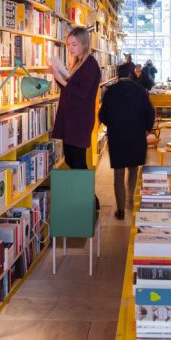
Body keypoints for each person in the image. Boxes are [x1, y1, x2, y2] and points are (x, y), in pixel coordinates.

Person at [50, 27, 103, 206]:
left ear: (84, 44)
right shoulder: (79, 63)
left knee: (78, 160)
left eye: (74, 44)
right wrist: (58, 76)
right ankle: (87, 199)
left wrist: (61, 77)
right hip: (72, 119)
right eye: (68, 44)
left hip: (79, 121)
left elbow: (83, 92)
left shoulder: (90, 65)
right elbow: (69, 89)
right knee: (72, 158)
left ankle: (91, 201)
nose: (70, 48)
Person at [99, 61, 156, 219]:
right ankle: (131, 200)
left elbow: (102, 115)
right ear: (131, 74)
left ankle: (121, 209)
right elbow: (150, 113)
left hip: (117, 137)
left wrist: (113, 125)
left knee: (118, 173)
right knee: (133, 168)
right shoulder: (140, 91)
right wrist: (146, 129)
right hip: (136, 136)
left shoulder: (110, 91)